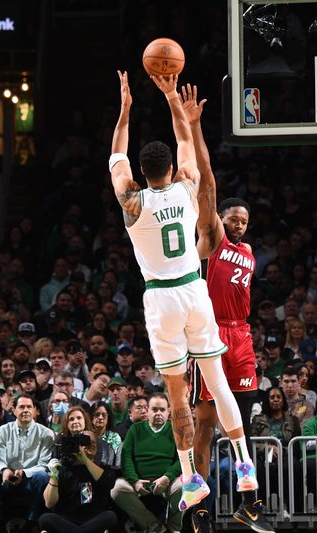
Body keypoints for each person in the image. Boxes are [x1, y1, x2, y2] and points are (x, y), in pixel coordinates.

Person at [109, 70, 256, 512]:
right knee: (217, 382)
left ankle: (190, 477)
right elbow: (188, 144)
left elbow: (117, 152)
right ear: (170, 169)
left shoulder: (131, 202)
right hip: (195, 291)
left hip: (160, 299)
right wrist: (173, 99)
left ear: (142, 172)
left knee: (178, 396)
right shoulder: (187, 189)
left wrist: (125, 111)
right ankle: (245, 462)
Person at [180, 82, 273, 532]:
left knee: (245, 416)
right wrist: (195, 129)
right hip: (211, 334)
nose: (239, 223)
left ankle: (248, 502)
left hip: (242, 336)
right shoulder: (214, 238)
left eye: (244, 220)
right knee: (204, 424)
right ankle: (198, 504)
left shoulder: (250, 249)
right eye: (234, 217)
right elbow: (209, 184)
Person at [111, 393, 184, 533]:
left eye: (162, 410)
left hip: (167, 482)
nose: (158, 413)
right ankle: (154, 526)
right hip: (140, 482)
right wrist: (135, 481)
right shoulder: (135, 429)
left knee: (183, 486)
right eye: (154, 409)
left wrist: (167, 477)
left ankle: (174, 528)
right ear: (147, 411)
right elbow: (126, 458)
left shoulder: (176, 431)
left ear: (169, 412)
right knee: (117, 489)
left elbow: (182, 459)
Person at [0, 393, 54, 532]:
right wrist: (4, 469)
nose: (26, 410)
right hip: (7, 478)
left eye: (29, 407)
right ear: (14, 410)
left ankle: (32, 520)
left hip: (30, 480)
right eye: (21, 407)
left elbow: (44, 464)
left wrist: (24, 472)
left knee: (42, 476)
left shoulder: (46, 433)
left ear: (35, 411)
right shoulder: (3, 430)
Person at [40, 430, 116, 533]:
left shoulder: (104, 469)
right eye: (86, 441)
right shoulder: (63, 470)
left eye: (94, 442)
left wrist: (85, 459)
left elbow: (107, 482)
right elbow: (49, 503)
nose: (91, 444)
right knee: (45, 518)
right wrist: (53, 476)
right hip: (67, 519)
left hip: (94, 518)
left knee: (110, 516)